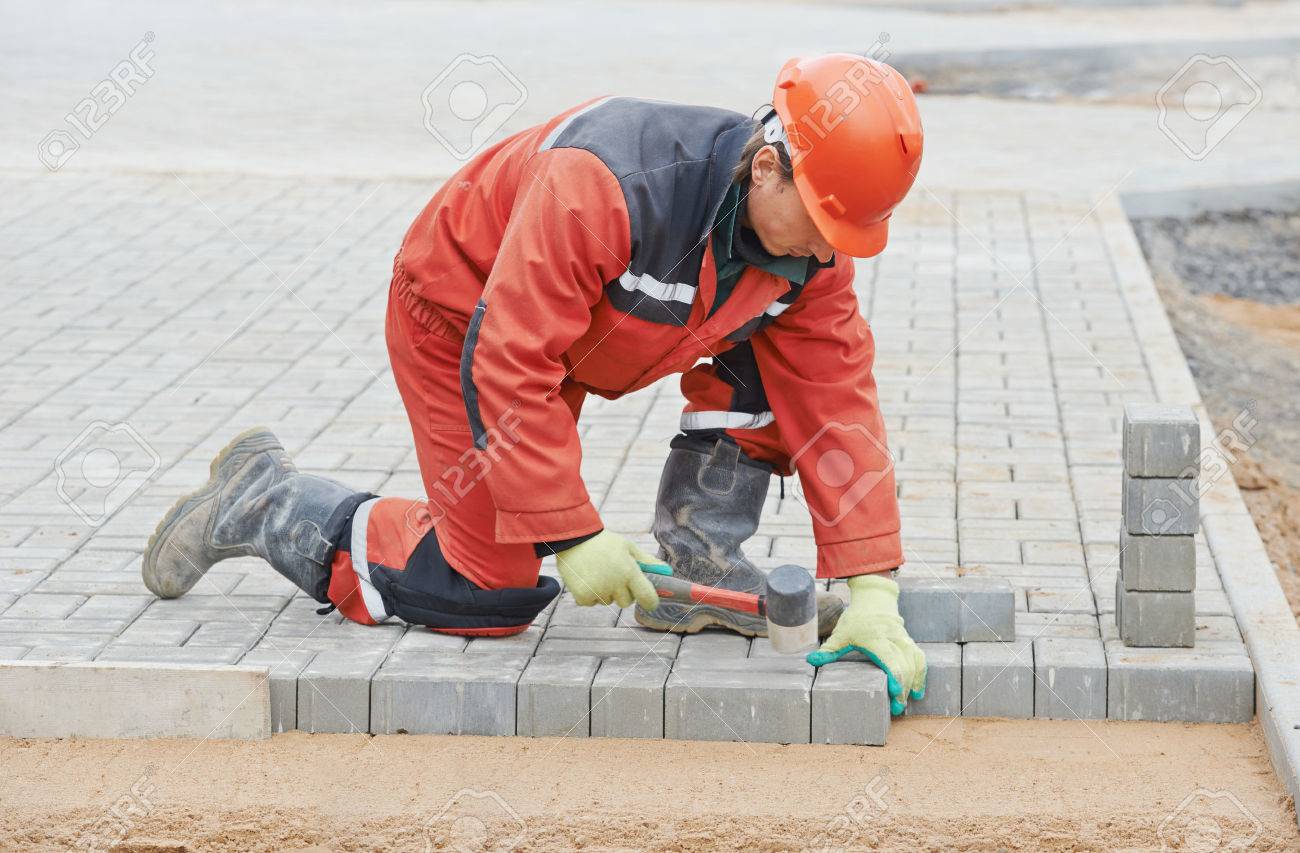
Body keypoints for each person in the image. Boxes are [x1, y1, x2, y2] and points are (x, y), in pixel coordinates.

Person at [143, 54, 928, 715]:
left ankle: (701, 566)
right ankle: (265, 497)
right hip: (463, 318)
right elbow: (511, 362)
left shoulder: (810, 255)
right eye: (823, 226)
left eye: (844, 236)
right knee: (486, 588)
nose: (829, 254)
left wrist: (872, 589)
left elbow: (836, 404)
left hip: (582, 335)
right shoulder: (607, 181)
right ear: (768, 168)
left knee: (786, 363)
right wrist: (573, 533)